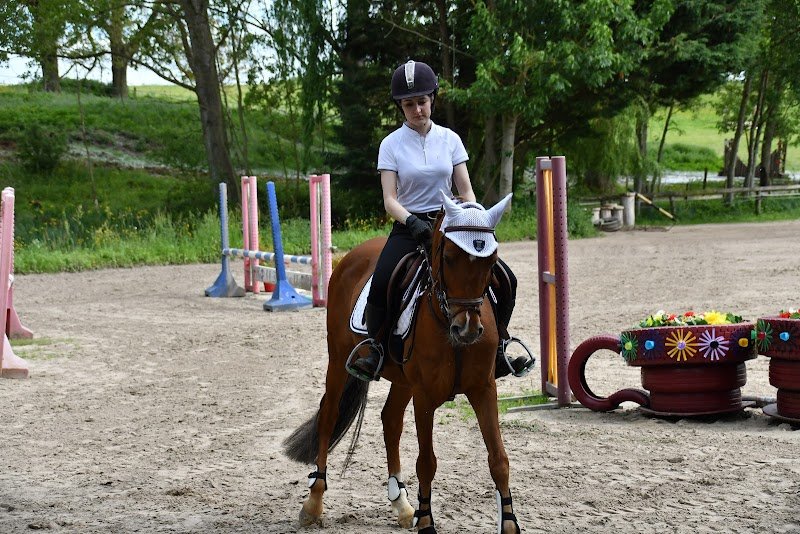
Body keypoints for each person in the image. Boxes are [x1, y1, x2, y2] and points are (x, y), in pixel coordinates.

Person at [347, 59, 531, 382]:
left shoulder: (451, 140)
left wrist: (474, 219)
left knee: (506, 278)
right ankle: (374, 349)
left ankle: (501, 344)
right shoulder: (390, 145)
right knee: (382, 280)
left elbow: (467, 190)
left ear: (432, 99)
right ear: (400, 107)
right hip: (409, 227)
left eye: (422, 101)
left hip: (452, 226)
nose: (417, 109)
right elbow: (390, 200)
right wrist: (413, 223)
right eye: (409, 104)